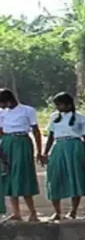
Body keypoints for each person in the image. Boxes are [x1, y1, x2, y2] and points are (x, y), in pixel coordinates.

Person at [41, 92, 85, 221]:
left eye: (60, 105)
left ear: (69, 105)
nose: (58, 107)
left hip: (75, 147)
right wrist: (45, 153)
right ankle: (57, 211)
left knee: (75, 178)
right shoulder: (54, 117)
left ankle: (73, 211)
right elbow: (51, 136)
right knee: (54, 178)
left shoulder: (80, 118)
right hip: (59, 147)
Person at [0, 88, 42, 221]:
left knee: (23, 175)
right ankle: (16, 212)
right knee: (9, 176)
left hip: (22, 142)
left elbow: (36, 130)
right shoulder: (2, 113)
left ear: (7, 100)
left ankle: (33, 212)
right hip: (7, 142)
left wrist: (39, 151)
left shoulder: (27, 110)